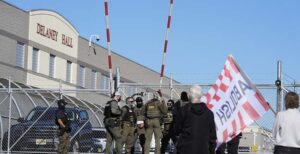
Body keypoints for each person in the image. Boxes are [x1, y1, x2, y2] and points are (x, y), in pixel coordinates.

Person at [175, 85, 217, 154]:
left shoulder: (183, 110)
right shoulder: (209, 113)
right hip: (203, 150)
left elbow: (176, 130)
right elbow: (212, 137)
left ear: (189, 96)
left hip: (185, 149)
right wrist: (212, 151)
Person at [143, 90, 168, 154]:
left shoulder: (147, 103)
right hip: (156, 121)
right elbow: (165, 111)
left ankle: (146, 153)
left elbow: (142, 112)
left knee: (148, 140)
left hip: (148, 122)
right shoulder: (158, 103)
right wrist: (162, 99)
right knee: (157, 140)